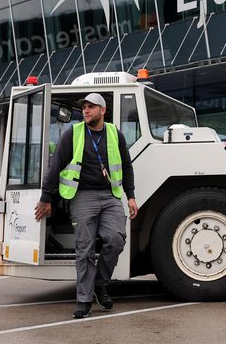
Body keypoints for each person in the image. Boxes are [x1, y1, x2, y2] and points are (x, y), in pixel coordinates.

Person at [34, 93, 139, 319]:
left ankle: (100, 284)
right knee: (85, 249)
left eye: (91, 107)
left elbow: (127, 167)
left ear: (103, 111)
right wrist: (47, 198)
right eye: (84, 108)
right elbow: (55, 167)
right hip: (82, 196)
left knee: (116, 239)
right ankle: (84, 300)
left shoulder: (114, 134)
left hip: (110, 196)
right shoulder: (73, 134)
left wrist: (130, 196)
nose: (86, 110)